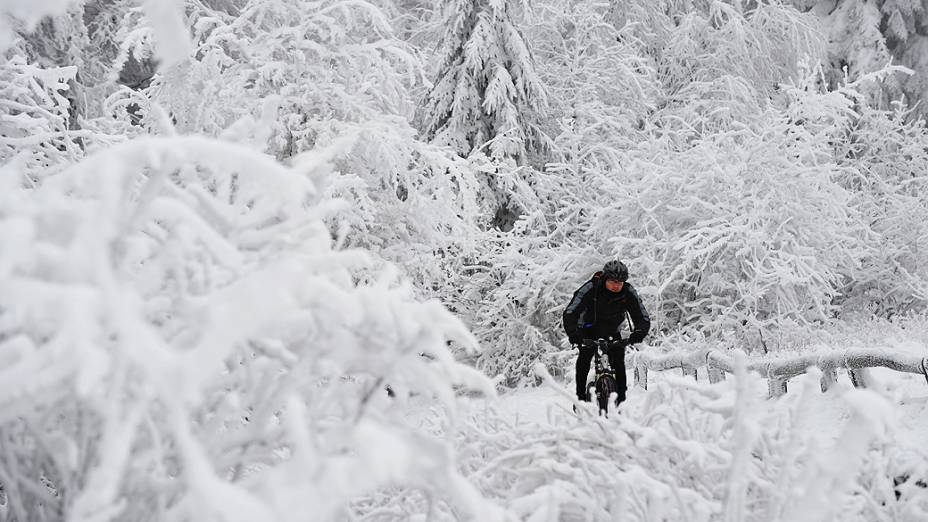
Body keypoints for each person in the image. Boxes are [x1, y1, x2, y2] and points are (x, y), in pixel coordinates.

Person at [562, 260, 651, 407]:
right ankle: (580, 398)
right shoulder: (591, 288)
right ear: (605, 279)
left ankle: (621, 402)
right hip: (588, 330)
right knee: (584, 358)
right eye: (613, 281)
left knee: (619, 363)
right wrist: (574, 333)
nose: (617, 285)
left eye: (620, 282)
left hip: (612, 331)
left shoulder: (628, 292)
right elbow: (571, 312)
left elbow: (642, 315)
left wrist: (640, 331)